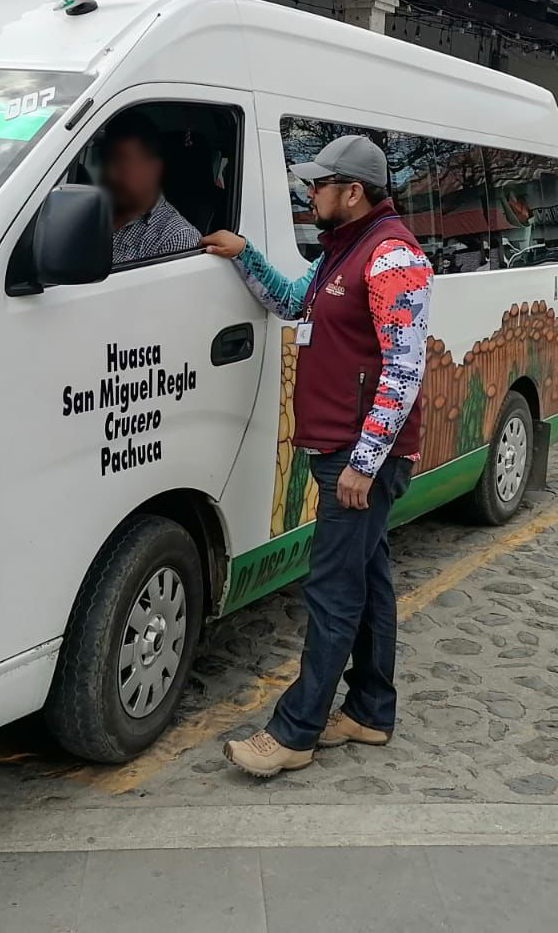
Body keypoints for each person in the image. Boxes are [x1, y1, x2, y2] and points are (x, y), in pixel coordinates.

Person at [203, 134, 433, 778]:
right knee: (369, 582)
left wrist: (365, 462)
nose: (309, 192)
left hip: (359, 459)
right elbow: (290, 302)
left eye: (319, 183)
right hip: (341, 448)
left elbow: (405, 368)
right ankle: (369, 712)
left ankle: (295, 732)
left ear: (352, 191)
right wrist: (244, 255)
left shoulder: (391, 257)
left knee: (332, 592)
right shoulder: (342, 250)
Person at [99, 118, 202, 264]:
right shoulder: (95, 213)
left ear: (153, 169)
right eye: (107, 163)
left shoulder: (177, 237)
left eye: (122, 164)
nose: (111, 174)